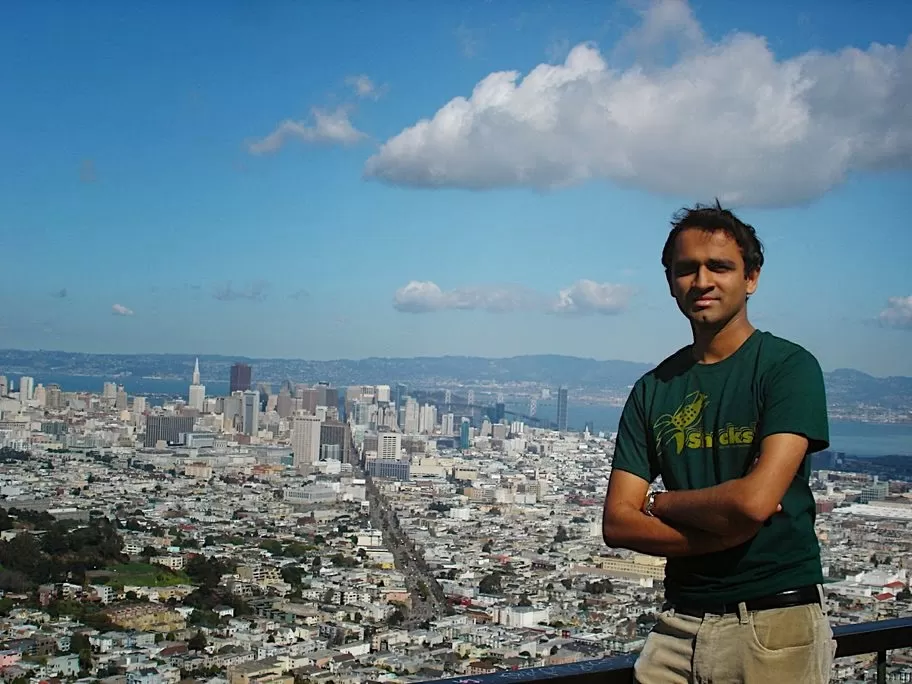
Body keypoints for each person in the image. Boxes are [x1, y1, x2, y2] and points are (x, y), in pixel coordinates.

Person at [602, 201, 836, 683]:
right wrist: (723, 533)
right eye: (686, 269)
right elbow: (617, 523)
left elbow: (753, 502)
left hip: (772, 622)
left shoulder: (787, 368)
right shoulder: (653, 388)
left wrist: (661, 502)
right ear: (670, 282)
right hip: (677, 625)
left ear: (751, 278)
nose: (702, 280)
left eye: (720, 266)